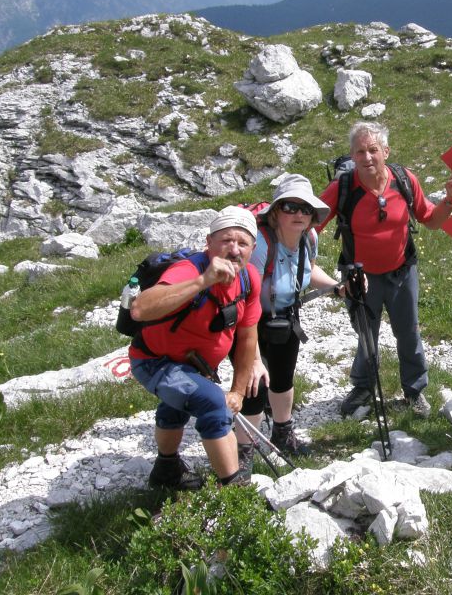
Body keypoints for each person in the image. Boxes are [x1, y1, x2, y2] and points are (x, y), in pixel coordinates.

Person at [319, 121, 452, 418]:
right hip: (360, 278)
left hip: (402, 271)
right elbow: (312, 224)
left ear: (386, 151)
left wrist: (450, 200)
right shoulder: (343, 188)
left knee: (408, 332)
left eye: (373, 150)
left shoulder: (404, 179)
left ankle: (414, 391)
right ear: (352, 154)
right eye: (360, 151)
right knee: (366, 334)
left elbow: (430, 219)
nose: (367, 157)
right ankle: (362, 387)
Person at [128, 206, 262, 489]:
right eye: (226, 240)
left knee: (177, 405)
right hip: (154, 361)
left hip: (194, 365)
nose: (234, 250)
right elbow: (140, 309)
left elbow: (247, 337)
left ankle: (166, 470)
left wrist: (238, 391)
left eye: (243, 243)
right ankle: (236, 494)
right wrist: (204, 281)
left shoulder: (249, 279)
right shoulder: (189, 269)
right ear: (209, 242)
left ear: (253, 248)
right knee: (212, 403)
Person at [234, 173, 343, 470]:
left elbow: (308, 269)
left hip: (286, 319)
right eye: (290, 207)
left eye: (305, 209)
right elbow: (245, 299)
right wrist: (253, 357)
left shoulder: (309, 238)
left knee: (283, 379)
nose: (299, 214)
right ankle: (243, 453)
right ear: (276, 212)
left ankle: (283, 433)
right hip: (249, 322)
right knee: (253, 387)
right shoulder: (260, 245)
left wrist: (336, 287)